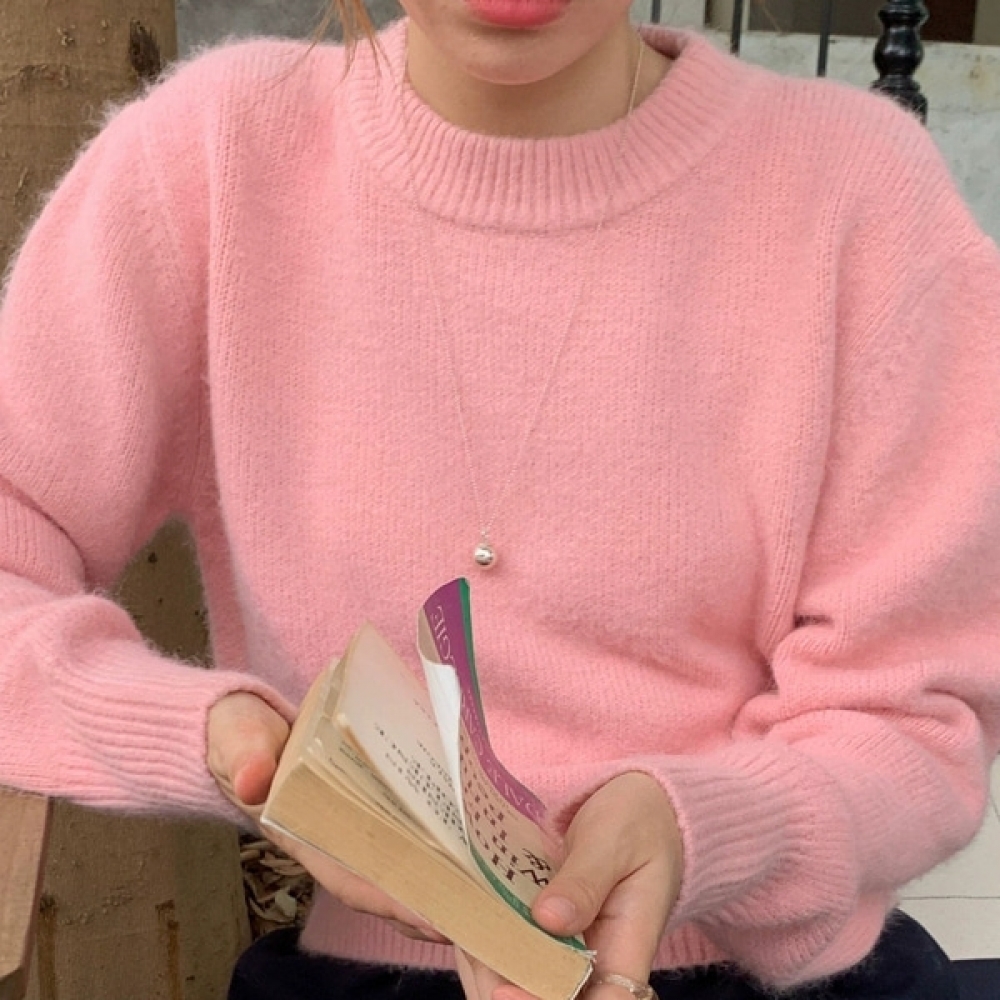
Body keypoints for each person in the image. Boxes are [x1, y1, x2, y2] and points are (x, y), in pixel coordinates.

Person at [1, 0, 999, 998]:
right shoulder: (215, 159)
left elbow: (916, 716)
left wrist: (706, 828)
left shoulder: (856, 193)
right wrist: (211, 735)